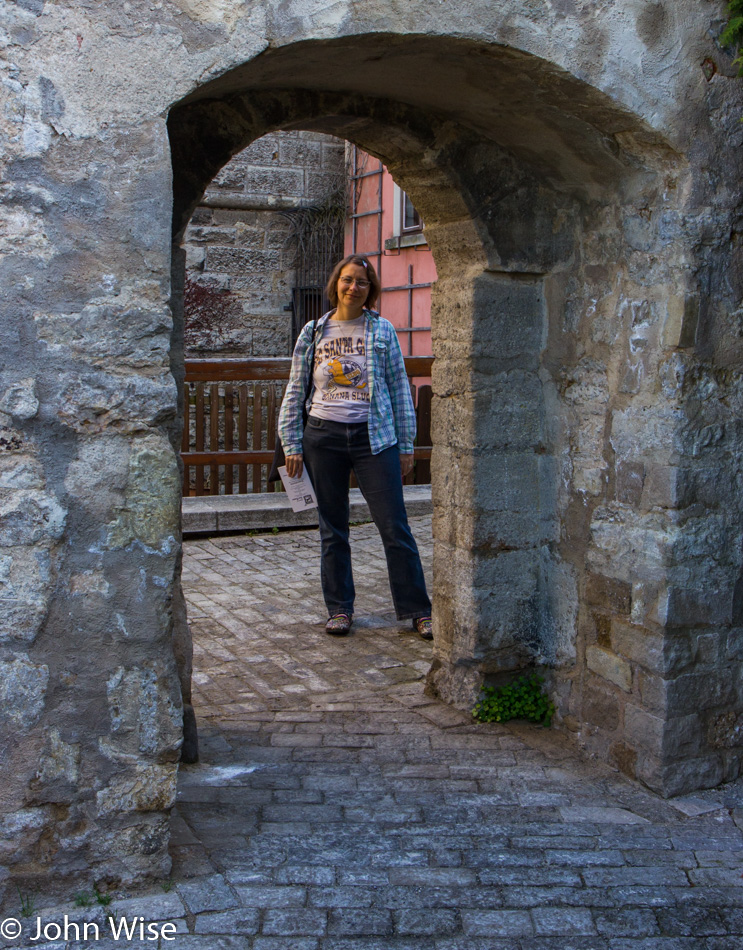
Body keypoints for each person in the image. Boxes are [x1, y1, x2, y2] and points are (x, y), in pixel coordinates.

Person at [278, 253, 433, 639]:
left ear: (370, 290)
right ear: (336, 284)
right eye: (348, 280)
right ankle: (340, 609)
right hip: (321, 437)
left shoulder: (382, 331)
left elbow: (400, 388)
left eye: (362, 282)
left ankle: (418, 609)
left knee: (394, 526)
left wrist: (406, 445)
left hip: (373, 439)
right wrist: (291, 443)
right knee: (333, 528)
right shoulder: (313, 331)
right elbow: (296, 389)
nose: (354, 287)